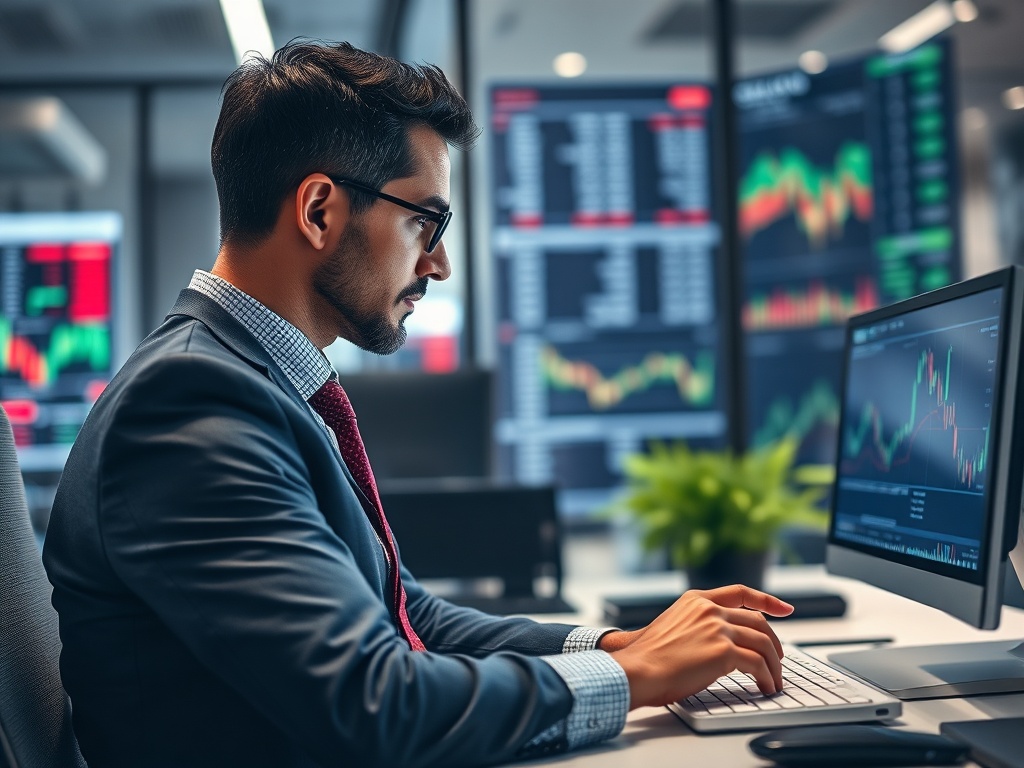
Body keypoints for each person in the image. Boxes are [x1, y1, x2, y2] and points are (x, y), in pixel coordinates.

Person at [42, 40, 793, 768]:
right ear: (318, 211)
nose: (438, 262)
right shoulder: (190, 407)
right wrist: (634, 680)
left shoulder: (251, 382)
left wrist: (608, 647)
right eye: (423, 222)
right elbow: (377, 704)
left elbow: (405, 616)